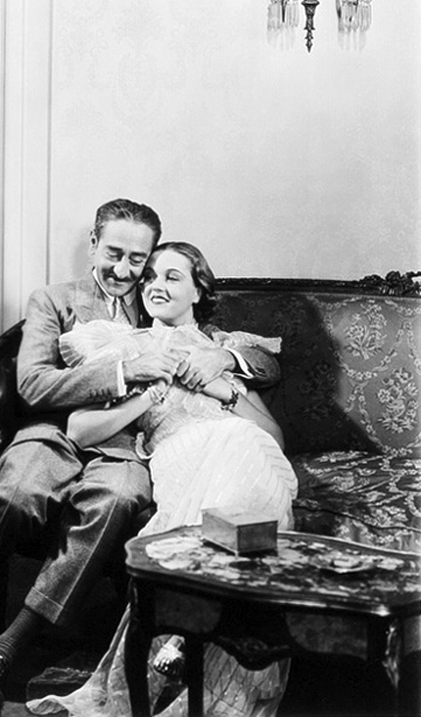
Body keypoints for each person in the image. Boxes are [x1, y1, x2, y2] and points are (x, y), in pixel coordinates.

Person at [0, 199, 280, 709]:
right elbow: (34, 384)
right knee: (15, 495)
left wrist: (221, 356)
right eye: (114, 253)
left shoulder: (159, 296)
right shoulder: (54, 300)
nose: (124, 270)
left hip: (124, 445)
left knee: (116, 500)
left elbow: (260, 361)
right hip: (55, 431)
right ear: (93, 244)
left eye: (137, 260)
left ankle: (9, 647)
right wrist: (125, 373)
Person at [27, 241, 298, 717]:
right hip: (181, 454)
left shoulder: (221, 352)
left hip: (244, 449)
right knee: (239, 481)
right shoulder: (130, 346)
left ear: (199, 291)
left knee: (244, 453)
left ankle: (188, 631)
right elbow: (80, 429)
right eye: (150, 276)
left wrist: (222, 389)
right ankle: (204, 633)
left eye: (172, 277)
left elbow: (272, 436)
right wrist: (150, 393)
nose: (155, 285)